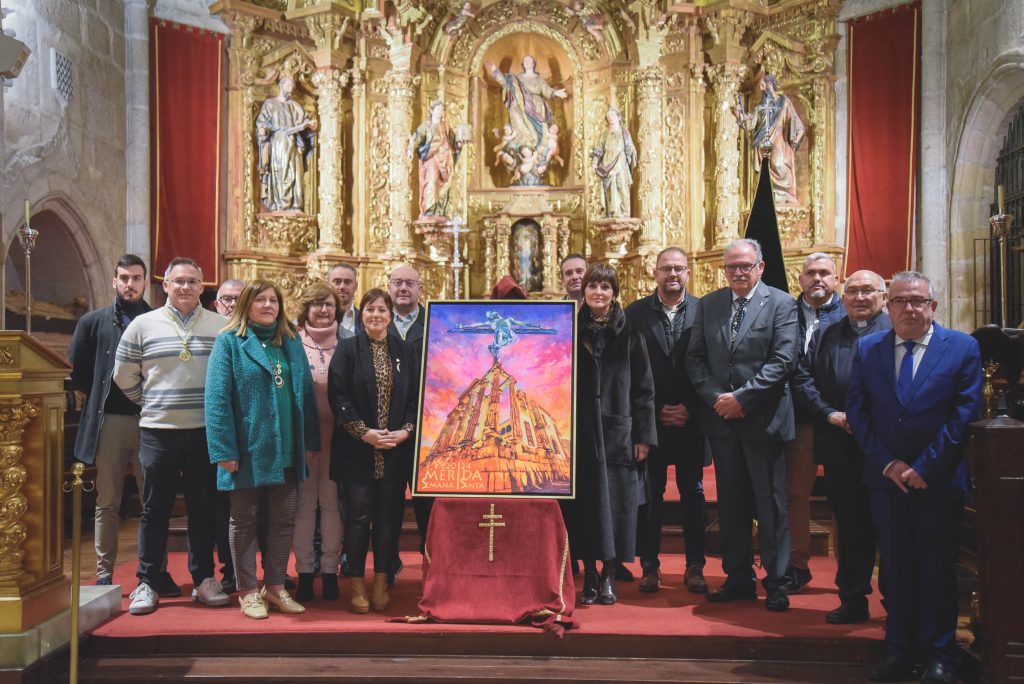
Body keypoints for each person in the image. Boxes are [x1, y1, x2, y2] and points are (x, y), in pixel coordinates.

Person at [847, 271, 982, 684]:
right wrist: (888, 463)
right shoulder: (869, 347)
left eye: (918, 301)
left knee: (937, 567)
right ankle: (901, 648)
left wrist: (925, 467)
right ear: (888, 306)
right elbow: (858, 411)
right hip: (885, 480)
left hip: (936, 482)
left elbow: (964, 415)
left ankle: (940, 652)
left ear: (933, 306)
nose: (909, 308)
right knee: (894, 567)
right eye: (901, 300)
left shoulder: (961, 348)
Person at [685, 238, 798, 612]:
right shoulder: (710, 304)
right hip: (722, 422)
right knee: (730, 505)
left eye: (745, 266)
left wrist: (742, 399)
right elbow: (696, 359)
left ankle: (777, 582)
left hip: (763, 421)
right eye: (731, 266)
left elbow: (782, 361)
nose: (738, 272)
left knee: (770, 505)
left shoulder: (781, 303)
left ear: (760, 267)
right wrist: (719, 399)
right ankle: (738, 578)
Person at [113, 257, 231, 615]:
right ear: (164, 284)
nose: (184, 287)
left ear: (201, 286)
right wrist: (151, 402)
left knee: (203, 509)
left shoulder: (221, 326)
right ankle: (148, 582)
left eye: (192, 281)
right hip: (158, 432)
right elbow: (123, 375)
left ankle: (203, 579)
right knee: (154, 509)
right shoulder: (142, 324)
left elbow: (228, 377)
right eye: (178, 281)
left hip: (204, 432)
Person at [205, 279, 319, 619]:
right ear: (247, 305)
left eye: (273, 300)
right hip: (248, 450)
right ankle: (248, 590)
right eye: (261, 300)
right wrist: (224, 449)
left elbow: (307, 396)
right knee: (244, 521)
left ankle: (275, 587)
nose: (268, 306)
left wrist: (309, 442)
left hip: (286, 448)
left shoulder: (291, 341)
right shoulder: (230, 342)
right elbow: (216, 399)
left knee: (283, 520)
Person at [793, 270, 889, 624]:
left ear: (883, 296)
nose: (860, 298)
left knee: (889, 525)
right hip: (840, 442)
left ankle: (896, 600)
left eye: (868, 291)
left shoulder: (895, 332)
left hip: (886, 447)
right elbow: (804, 378)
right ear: (843, 295)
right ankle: (852, 596)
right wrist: (830, 413)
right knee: (849, 524)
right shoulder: (827, 333)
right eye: (854, 291)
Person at [567, 263, 656, 605]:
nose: (598, 293)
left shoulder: (631, 335)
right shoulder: (572, 332)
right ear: (584, 292)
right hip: (580, 434)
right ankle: (589, 574)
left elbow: (644, 391)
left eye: (605, 287)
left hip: (619, 431)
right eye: (593, 287)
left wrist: (644, 437)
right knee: (585, 506)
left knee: (616, 507)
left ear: (614, 293)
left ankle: (609, 574)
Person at [329, 289, 418, 614]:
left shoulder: (403, 350)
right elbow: (339, 397)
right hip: (357, 450)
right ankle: (356, 584)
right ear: (361, 314)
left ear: (390, 315)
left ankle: (381, 582)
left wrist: (405, 431)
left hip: (394, 451)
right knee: (357, 519)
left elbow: (414, 399)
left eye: (382, 310)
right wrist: (364, 433)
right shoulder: (348, 348)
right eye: (370, 309)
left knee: (388, 520)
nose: (376, 315)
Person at [625, 247, 708, 594]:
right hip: (652, 421)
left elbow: (714, 364)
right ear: (654, 274)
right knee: (651, 496)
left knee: (693, 493)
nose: (672, 274)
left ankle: (695, 566)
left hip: (693, 419)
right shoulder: (635, 313)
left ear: (688, 273)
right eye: (665, 269)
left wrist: (691, 407)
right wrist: (653, 410)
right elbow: (628, 370)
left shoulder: (705, 311)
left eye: (678, 269)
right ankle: (650, 566)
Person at [70, 254, 153, 587]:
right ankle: (105, 571)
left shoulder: (158, 319)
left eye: (136, 278)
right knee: (107, 502)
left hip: (151, 420)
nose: (129, 284)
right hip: (111, 421)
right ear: (115, 281)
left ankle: (152, 571)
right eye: (124, 278)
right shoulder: (93, 322)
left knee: (153, 500)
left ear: (145, 281)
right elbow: (78, 372)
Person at [782, 253, 845, 595]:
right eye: (811, 273)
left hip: (842, 418)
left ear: (837, 279)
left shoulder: (850, 315)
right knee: (795, 494)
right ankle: (796, 566)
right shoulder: (785, 313)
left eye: (825, 273)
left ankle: (848, 569)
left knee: (844, 494)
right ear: (801, 278)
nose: (817, 278)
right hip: (801, 417)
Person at [291, 282, 344, 602]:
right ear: (306, 308)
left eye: (328, 304)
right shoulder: (292, 343)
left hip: (340, 440)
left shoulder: (349, 341)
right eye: (316, 304)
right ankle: (305, 572)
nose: (323, 310)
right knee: (304, 506)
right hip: (305, 440)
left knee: (332, 505)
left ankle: (330, 571)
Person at [387, 265, 430, 558]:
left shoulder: (435, 322)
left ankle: (431, 562)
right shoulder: (376, 323)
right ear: (389, 287)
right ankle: (385, 568)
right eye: (398, 283)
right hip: (386, 429)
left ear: (420, 289)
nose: (403, 288)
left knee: (428, 503)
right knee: (387, 504)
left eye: (410, 283)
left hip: (426, 431)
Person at [212, 278, 245, 595]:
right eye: (227, 299)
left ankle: (255, 571)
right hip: (214, 433)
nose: (233, 304)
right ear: (216, 303)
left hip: (247, 436)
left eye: (239, 298)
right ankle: (229, 571)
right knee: (223, 508)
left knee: (250, 509)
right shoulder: (217, 334)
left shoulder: (257, 334)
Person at [733, 73, 806, 206]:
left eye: (762, 85)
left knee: (778, 163)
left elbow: (795, 121)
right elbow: (751, 123)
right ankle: (770, 193)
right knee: (765, 169)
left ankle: (783, 192)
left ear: (770, 84)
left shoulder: (784, 102)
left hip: (779, 139)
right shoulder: (761, 106)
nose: (761, 89)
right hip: (763, 143)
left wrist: (798, 133)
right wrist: (740, 116)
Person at [485, 55, 567, 166]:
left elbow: (547, 90)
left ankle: (535, 150)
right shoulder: (517, 78)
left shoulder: (539, 79)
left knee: (540, 128)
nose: (527, 62)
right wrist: (495, 70)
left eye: (529, 60)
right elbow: (505, 82)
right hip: (519, 105)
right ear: (523, 64)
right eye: (525, 61)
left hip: (536, 106)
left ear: (533, 63)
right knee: (515, 114)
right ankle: (522, 147)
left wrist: (556, 93)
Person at [256, 76, 317, 212]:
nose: (291, 90)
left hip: (294, 143)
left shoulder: (295, 106)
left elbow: (306, 122)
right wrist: (263, 130)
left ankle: (295, 205)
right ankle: (281, 205)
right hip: (279, 142)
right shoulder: (270, 104)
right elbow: (262, 124)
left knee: (295, 173)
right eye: (289, 86)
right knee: (281, 172)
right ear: (281, 86)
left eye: (292, 87)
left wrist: (311, 125)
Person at [407, 101, 462, 218]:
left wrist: (460, 142)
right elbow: (416, 138)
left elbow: (454, 141)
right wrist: (411, 149)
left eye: (442, 110)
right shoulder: (426, 126)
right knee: (432, 181)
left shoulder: (446, 126)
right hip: (432, 159)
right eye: (438, 109)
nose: (440, 112)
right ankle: (430, 209)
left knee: (444, 184)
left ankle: (440, 209)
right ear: (432, 111)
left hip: (446, 160)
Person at [591, 107, 637, 218]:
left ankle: (624, 213)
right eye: (608, 116)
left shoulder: (624, 133)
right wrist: (594, 163)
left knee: (622, 186)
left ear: (618, 117)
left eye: (612, 115)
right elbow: (598, 150)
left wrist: (629, 156)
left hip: (620, 162)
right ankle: (610, 213)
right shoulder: (604, 135)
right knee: (609, 189)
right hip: (607, 164)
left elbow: (630, 147)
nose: (610, 118)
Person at [327, 263, 360, 340]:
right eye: (337, 282)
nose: (342, 287)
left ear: (356, 286)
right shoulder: (318, 318)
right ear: (327, 284)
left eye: (347, 282)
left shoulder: (366, 320)